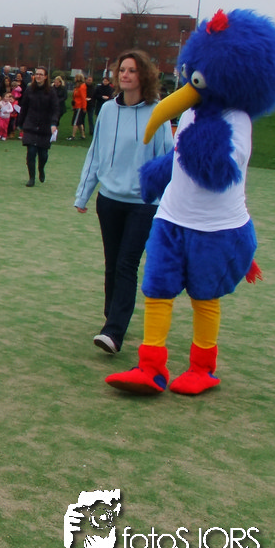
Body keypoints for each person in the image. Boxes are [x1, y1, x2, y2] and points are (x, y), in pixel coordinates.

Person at [73, 50, 174, 356]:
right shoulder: (106, 110)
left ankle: (114, 331)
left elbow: (167, 160)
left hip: (143, 204)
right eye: (122, 70)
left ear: (144, 75)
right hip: (109, 201)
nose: (125, 75)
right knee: (112, 263)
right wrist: (83, 194)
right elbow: (95, 153)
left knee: (127, 264)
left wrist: (165, 202)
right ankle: (112, 317)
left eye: (132, 70)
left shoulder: (158, 112)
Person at [18, 66, 61, 187]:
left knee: (43, 154)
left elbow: (56, 109)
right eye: (37, 74)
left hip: (45, 126)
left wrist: (54, 123)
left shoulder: (51, 92)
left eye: (41, 74)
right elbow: (24, 107)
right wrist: (20, 123)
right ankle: (31, 178)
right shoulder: (29, 90)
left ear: (45, 77)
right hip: (31, 124)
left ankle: (41, 168)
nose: (38, 76)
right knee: (31, 152)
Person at [70, 74, 88, 139]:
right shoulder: (77, 87)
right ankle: (83, 135)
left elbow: (83, 97)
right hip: (76, 105)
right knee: (79, 122)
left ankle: (73, 135)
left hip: (80, 106)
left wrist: (84, 107)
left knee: (76, 121)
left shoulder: (82, 87)